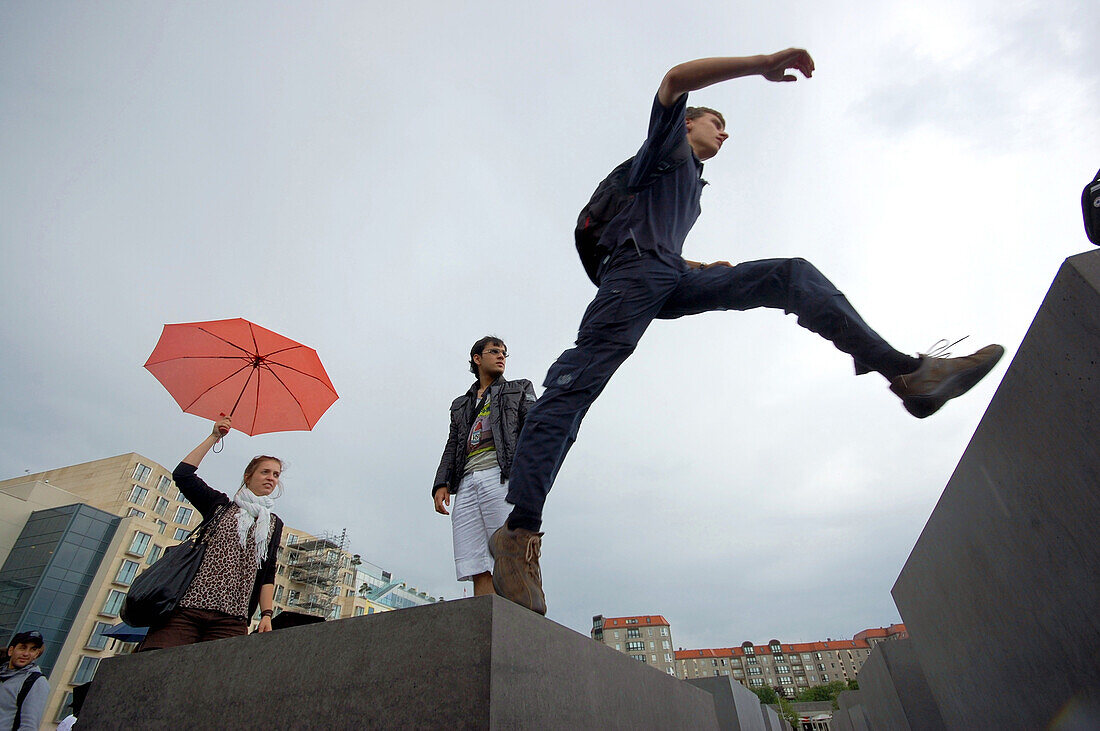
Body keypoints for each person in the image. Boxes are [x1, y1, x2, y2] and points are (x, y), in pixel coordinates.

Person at [490, 49, 1004, 615]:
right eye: (717, 123)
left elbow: (657, 236)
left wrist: (691, 268)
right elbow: (674, 78)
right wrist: (762, 64)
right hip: (631, 281)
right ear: (688, 123)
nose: (724, 135)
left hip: (666, 276)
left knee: (790, 276)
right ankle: (520, 532)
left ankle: (910, 374)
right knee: (575, 388)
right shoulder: (665, 145)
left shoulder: (692, 185)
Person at [138, 417, 284, 650]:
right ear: (248, 476)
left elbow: (267, 572)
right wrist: (214, 436)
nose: (271, 478)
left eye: (276, 474)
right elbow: (183, 475)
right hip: (186, 609)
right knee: (156, 670)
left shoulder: (273, 524)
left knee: (211, 683)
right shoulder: (220, 506)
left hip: (231, 618)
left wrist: (266, 614)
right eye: (265, 472)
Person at [433, 336, 537, 596]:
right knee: (476, 560)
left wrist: (530, 475)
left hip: (501, 476)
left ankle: (520, 624)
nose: (501, 356)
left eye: (504, 352)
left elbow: (534, 428)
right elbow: (453, 443)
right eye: (494, 351)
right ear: (477, 359)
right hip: (467, 482)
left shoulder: (519, 388)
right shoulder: (461, 404)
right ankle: (486, 626)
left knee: (511, 554)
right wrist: (441, 483)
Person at [1, 630, 49, 731]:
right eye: (23, 648)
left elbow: (29, 726)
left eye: (33, 649)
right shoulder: (2, 673)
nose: (26, 654)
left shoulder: (36, 681)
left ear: (36, 654)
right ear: (11, 651)